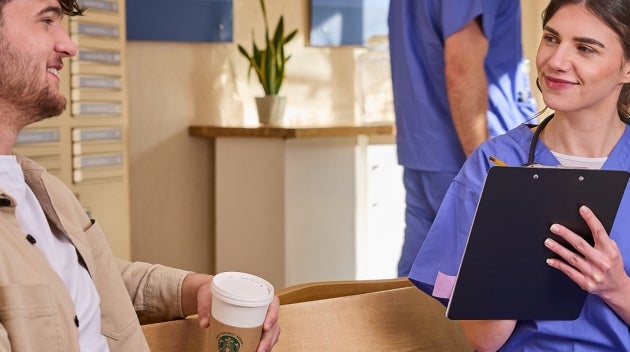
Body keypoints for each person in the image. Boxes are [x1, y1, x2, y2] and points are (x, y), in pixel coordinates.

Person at [0, 0, 280, 351]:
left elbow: (82, 276)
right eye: (46, 20)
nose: (69, 45)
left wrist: (195, 289)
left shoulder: (40, 188)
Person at [409, 0, 630, 350]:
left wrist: (617, 287)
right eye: (552, 38)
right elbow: (482, 341)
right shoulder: (495, 164)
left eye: (585, 48)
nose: (556, 61)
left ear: (627, 69)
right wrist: (508, 253)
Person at [388, 0, 537, 277]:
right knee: (491, 283)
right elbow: (460, 67)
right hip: (476, 153)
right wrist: (486, 168)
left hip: (425, 149)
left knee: (418, 287)